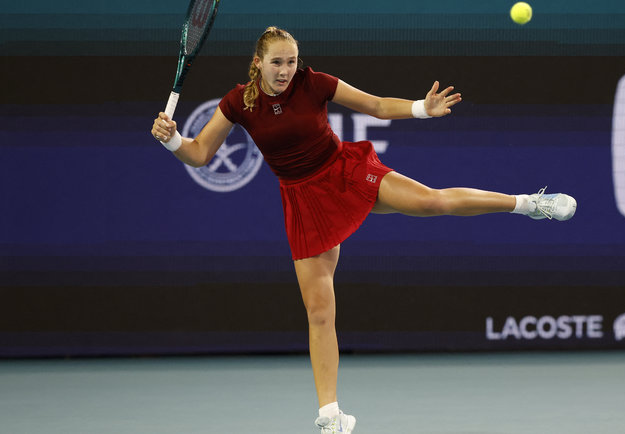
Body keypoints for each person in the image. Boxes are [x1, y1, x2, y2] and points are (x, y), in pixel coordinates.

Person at [150, 26, 576, 434]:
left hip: (345, 172)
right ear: (258, 63)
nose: (285, 71)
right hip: (305, 201)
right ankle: (331, 416)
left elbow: (376, 106)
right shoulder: (237, 103)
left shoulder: (314, 83)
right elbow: (199, 154)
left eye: (291, 61)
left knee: (431, 201)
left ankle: (529, 204)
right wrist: (172, 140)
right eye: (277, 63)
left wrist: (421, 108)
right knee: (319, 312)